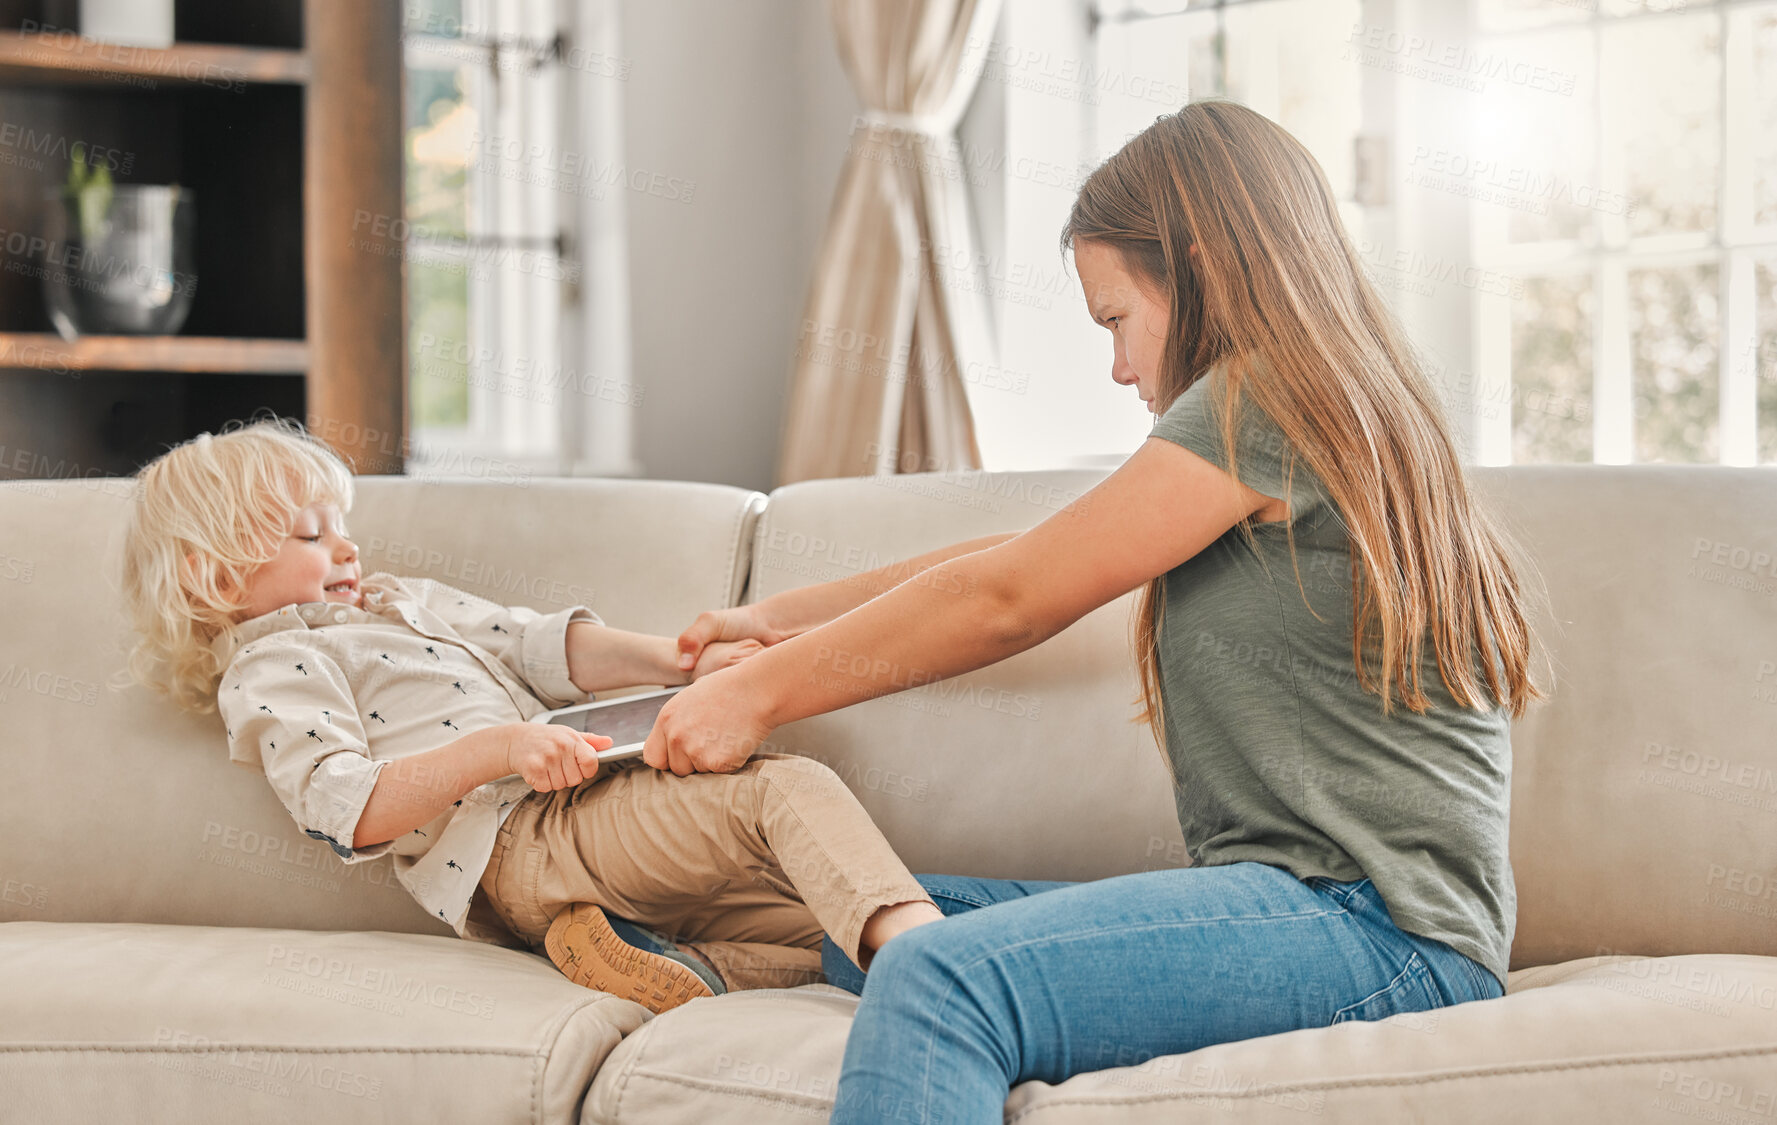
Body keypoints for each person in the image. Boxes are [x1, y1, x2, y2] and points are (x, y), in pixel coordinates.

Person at [649, 99, 1547, 1121]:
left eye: (1116, 320)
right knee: (883, 912)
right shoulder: (1321, 393)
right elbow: (1025, 557)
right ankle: (692, 967)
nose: (1119, 367)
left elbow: (1010, 601)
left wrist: (760, 692)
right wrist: (783, 622)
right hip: (1332, 914)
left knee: (936, 974)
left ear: (1199, 264)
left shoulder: (1272, 399)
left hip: (1378, 931)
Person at [116, 418, 943, 1015]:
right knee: (782, 789)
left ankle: (687, 966)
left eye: (343, 528)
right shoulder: (271, 668)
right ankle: (936, 969)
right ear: (216, 579)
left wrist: (679, 661)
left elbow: (536, 645)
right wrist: (499, 747)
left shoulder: (398, 601)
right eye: (311, 534)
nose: (347, 550)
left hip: (578, 834)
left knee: (813, 916)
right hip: (521, 841)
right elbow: (348, 808)